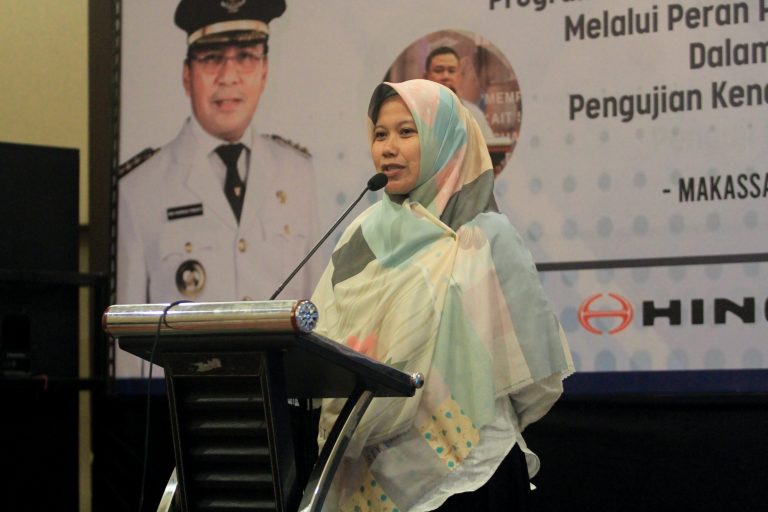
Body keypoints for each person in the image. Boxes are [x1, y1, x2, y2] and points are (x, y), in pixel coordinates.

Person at [310, 79, 574, 511]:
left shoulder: (487, 237)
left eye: (406, 132)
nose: (388, 148)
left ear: (445, 140)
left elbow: (531, 375)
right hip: (367, 472)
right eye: (380, 134)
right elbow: (322, 341)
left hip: (473, 471)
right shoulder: (362, 236)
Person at [116, 0, 323, 376]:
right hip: (183, 399)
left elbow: (318, 313)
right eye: (212, 58)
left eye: (245, 56)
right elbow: (127, 342)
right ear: (187, 75)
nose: (229, 77)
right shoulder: (139, 188)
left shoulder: (297, 172)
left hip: (282, 395)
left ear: (264, 70)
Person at [423, 46, 497, 143]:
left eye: (451, 71)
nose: (446, 76)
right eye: (439, 70)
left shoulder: (473, 113)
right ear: (426, 77)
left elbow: (491, 148)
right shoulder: (413, 112)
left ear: (459, 77)